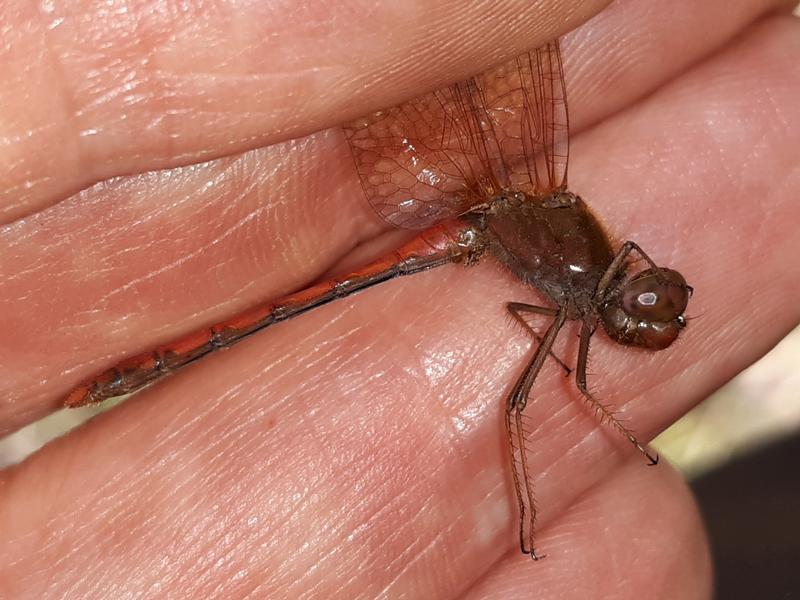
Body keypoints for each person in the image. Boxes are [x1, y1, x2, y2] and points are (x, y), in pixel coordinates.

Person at [1, 0, 797, 596]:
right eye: (649, 302)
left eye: (648, 301)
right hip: (487, 226)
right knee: (522, 404)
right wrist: (619, 431)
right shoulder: (583, 275)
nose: (646, 305)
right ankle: (126, 373)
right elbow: (566, 384)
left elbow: (555, 309)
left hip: (506, 232)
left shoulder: (585, 266)